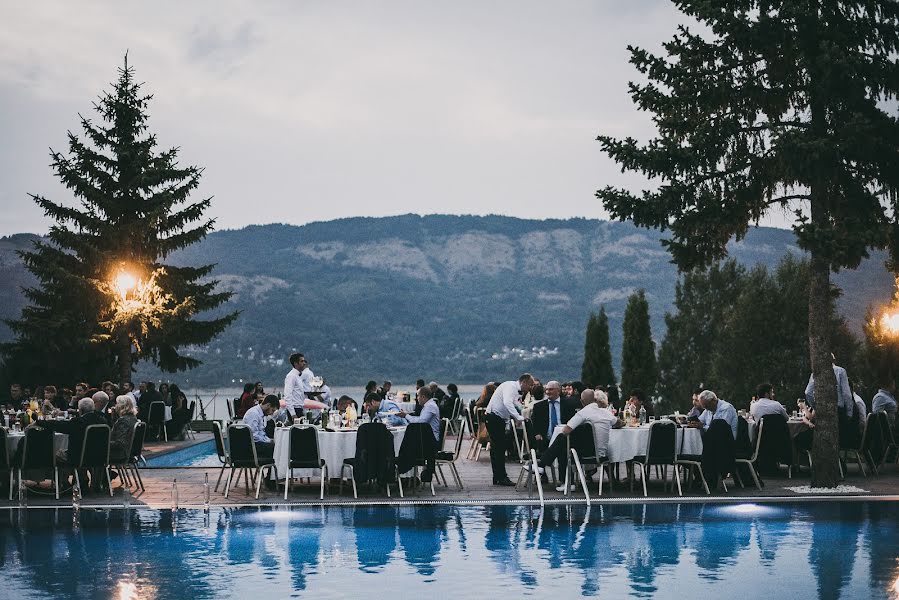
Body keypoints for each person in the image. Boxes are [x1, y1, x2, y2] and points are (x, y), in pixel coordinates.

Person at [531, 389, 623, 491]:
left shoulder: (583, 413)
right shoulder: (606, 413)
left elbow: (566, 430)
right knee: (564, 443)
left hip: (585, 454)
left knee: (563, 440)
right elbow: (619, 423)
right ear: (595, 400)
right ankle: (544, 467)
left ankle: (550, 470)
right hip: (602, 453)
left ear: (582, 401)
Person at [485, 373, 534, 486]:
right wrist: (518, 417)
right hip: (494, 417)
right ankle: (501, 477)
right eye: (530, 385)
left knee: (498, 449)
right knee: (499, 448)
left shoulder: (515, 390)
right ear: (524, 382)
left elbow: (515, 403)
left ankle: (498, 477)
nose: (530, 388)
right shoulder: (511, 387)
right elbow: (507, 402)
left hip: (498, 418)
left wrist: (521, 410)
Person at [42, 397, 107, 465]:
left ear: (81, 411)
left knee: (57, 454)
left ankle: (59, 475)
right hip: (99, 456)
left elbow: (59, 426)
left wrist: (41, 422)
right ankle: (81, 475)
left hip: (78, 457)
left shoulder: (78, 422)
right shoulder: (102, 421)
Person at [530, 380, 578, 453]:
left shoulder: (568, 405)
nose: (548, 392)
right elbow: (534, 424)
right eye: (546, 390)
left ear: (558, 391)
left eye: (551, 389)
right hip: (545, 439)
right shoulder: (539, 407)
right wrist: (537, 434)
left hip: (564, 438)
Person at [243, 394, 280, 458]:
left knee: (278, 446)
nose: (272, 413)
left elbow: (261, 434)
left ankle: (274, 466)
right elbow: (254, 436)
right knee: (277, 448)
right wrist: (268, 441)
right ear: (268, 405)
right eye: (272, 410)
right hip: (251, 446)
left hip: (256, 443)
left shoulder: (262, 414)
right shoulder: (253, 413)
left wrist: (269, 440)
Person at [109, 395, 138, 463]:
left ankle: (102, 474)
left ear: (121, 406)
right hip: (129, 452)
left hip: (121, 454)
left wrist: (104, 443)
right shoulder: (133, 418)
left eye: (117, 404)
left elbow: (120, 443)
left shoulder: (123, 421)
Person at [283, 353, 309, 419]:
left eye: (304, 361)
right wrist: (293, 413)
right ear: (296, 363)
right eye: (301, 361)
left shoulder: (298, 376)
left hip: (300, 408)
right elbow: (287, 395)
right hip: (295, 409)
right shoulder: (291, 376)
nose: (304, 363)